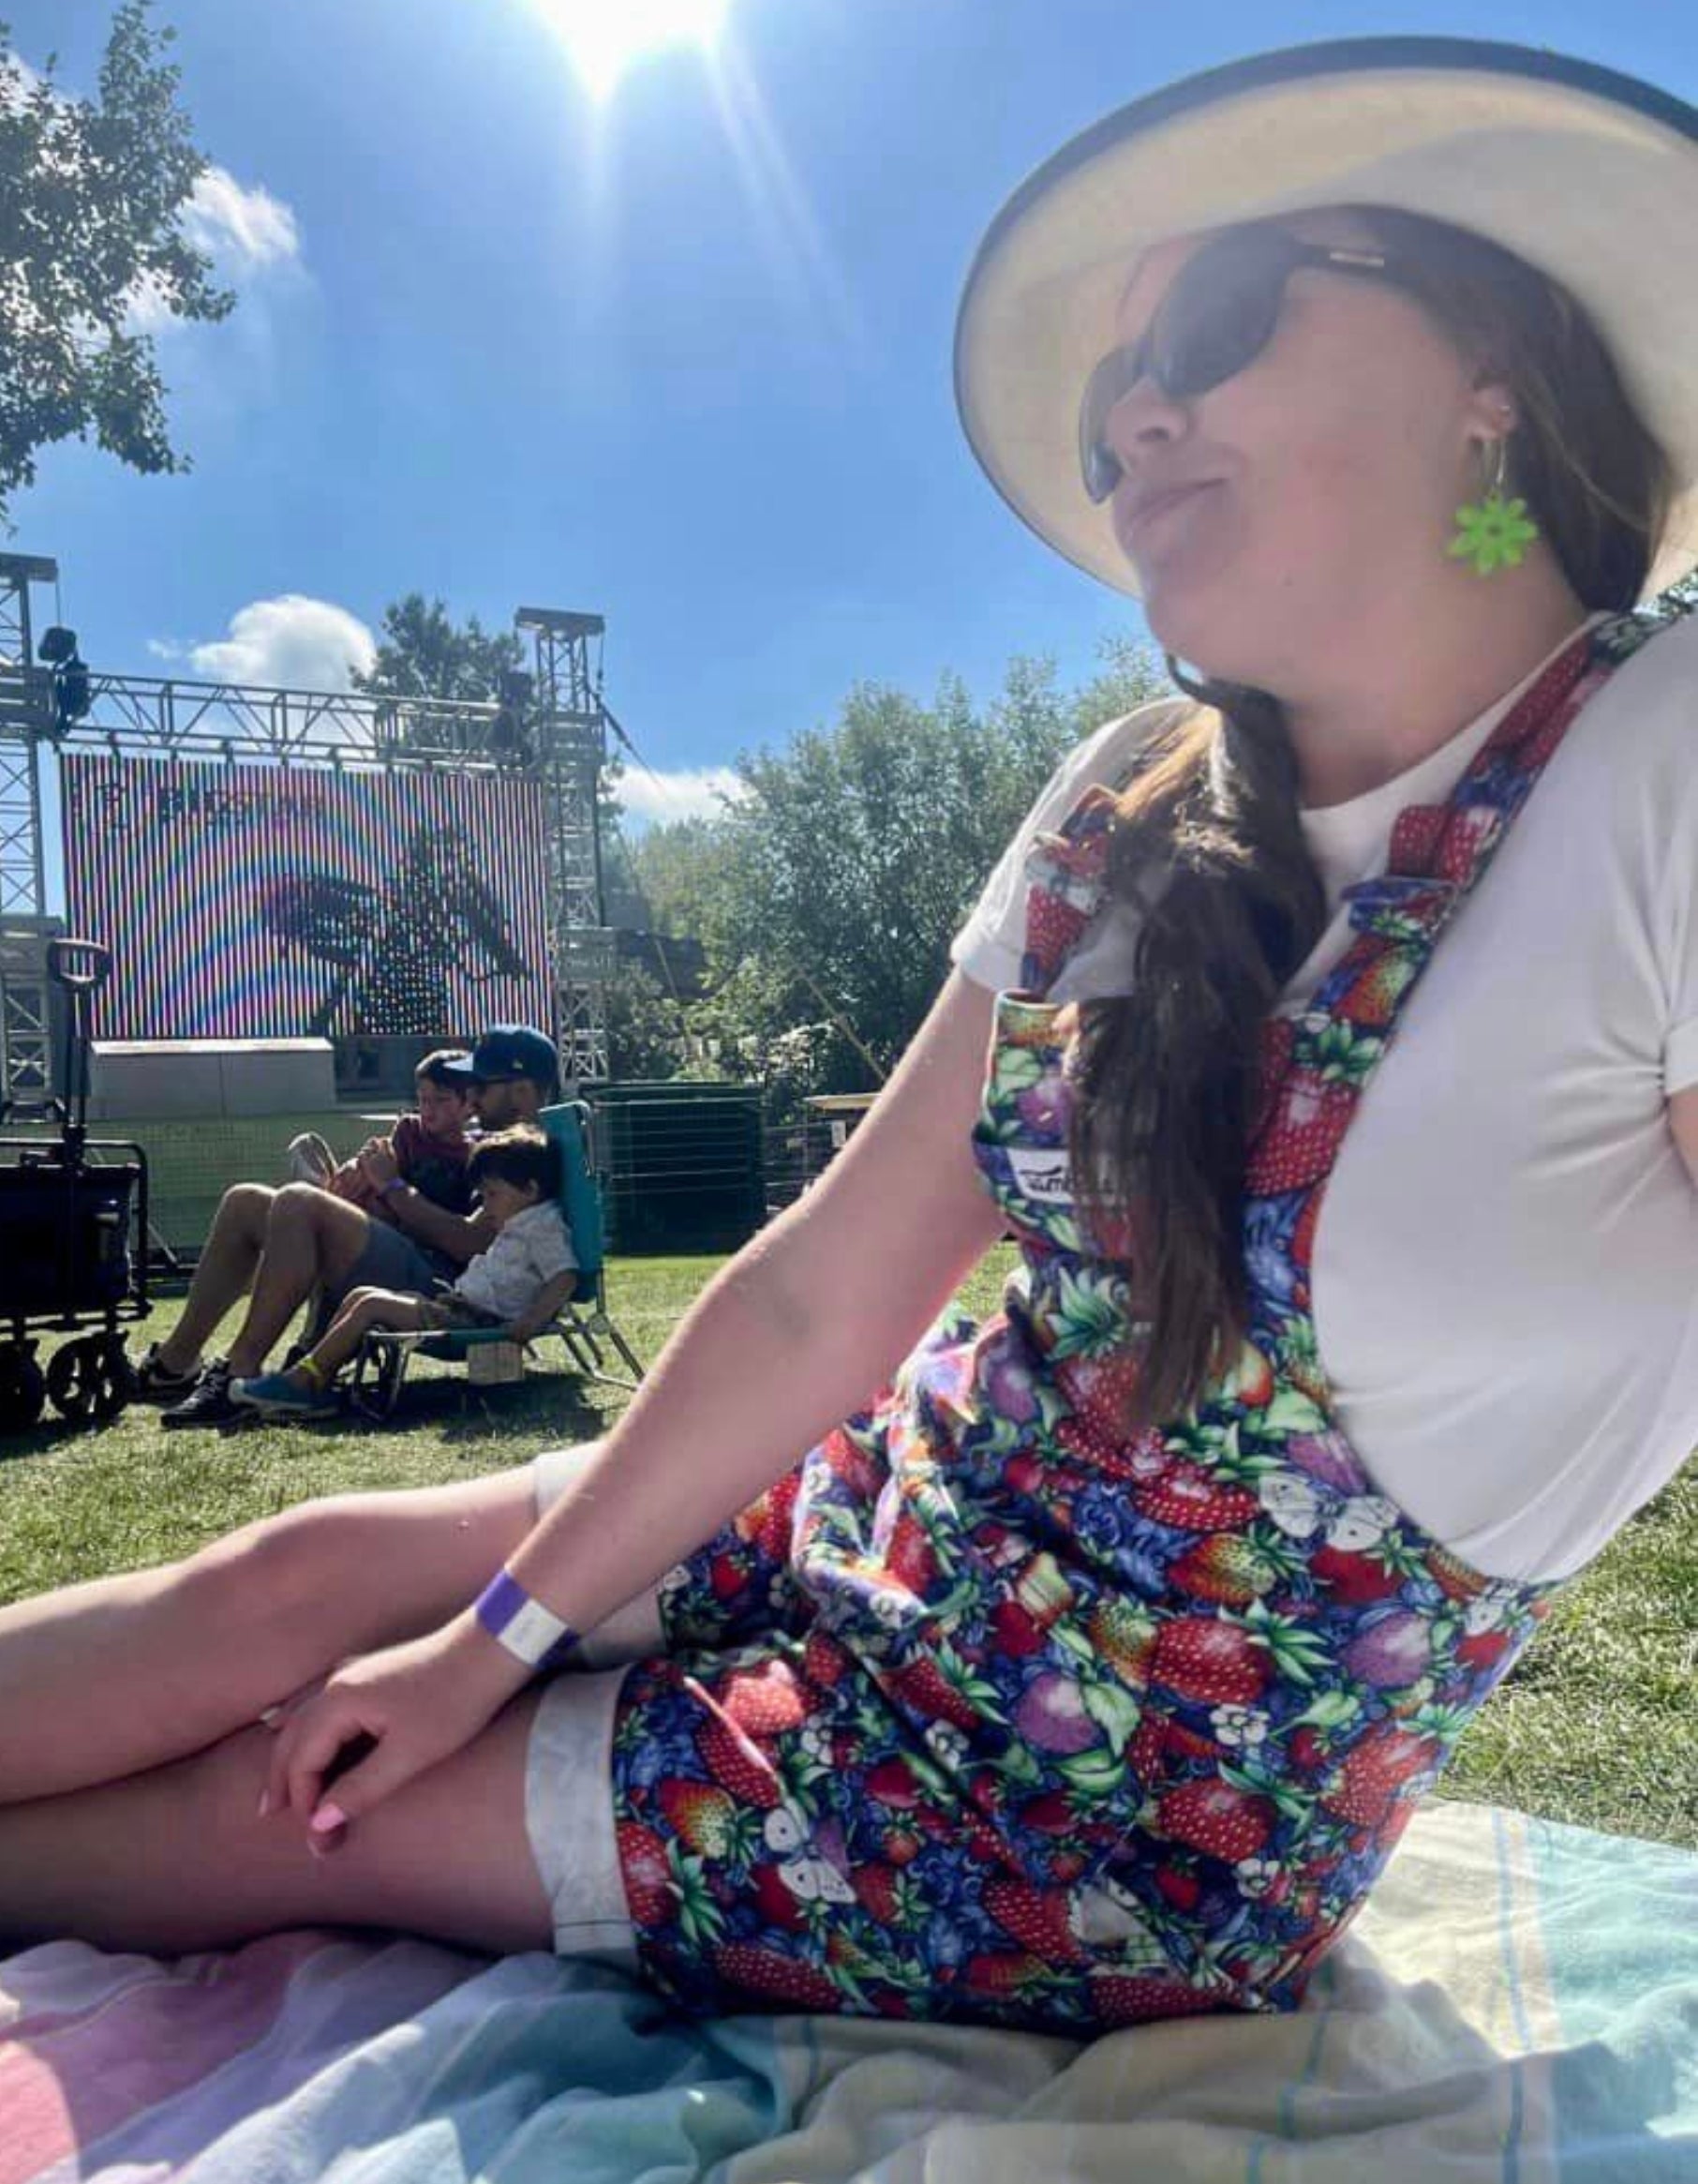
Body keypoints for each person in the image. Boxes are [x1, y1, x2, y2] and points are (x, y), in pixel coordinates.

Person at [3, 40, 1696, 2030]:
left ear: (1488, 362)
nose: (1136, 422)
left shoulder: (1658, 758)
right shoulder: (1130, 802)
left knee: (266, 1818)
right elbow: (826, 1301)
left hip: (1091, 1827)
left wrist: (485, 1677)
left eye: (1219, 327)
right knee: (285, 1588)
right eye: (1100, 423)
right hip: (872, 1508)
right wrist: (493, 1633)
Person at [135, 1025, 558, 1429]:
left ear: (521, 1093)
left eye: (480, 1087)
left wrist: (391, 1185)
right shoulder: (492, 1141)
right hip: (417, 1258)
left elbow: (470, 1244)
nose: (472, 1098)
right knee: (246, 1201)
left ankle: (238, 1370)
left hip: (451, 1291)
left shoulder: (526, 1155)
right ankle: (176, 1363)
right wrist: (366, 1180)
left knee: (299, 1202)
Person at [229, 1127, 578, 1419]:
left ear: (530, 1190)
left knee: (370, 1305)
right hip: (461, 1308)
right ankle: (317, 1378)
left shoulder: (543, 1227)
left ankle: (301, 1384)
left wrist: (529, 1324)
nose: (485, 1205)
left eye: (492, 1194)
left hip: (481, 1322)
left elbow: (564, 1276)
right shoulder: (519, 1220)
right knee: (362, 1295)